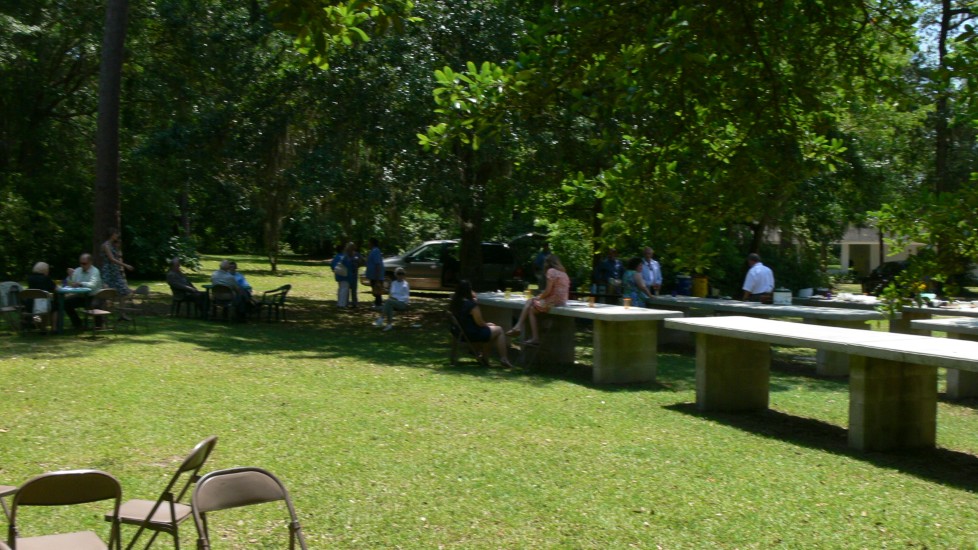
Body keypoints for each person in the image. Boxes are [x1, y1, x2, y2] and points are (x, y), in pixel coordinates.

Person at [505, 254, 570, 345]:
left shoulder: (551, 271)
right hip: (562, 301)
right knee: (531, 307)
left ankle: (520, 328)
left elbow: (548, 291)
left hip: (553, 301)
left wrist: (539, 297)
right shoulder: (564, 273)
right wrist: (541, 296)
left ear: (548, 263)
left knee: (530, 302)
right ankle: (524, 331)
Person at [449, 280, 512, 367]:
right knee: (499, 330)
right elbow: (480, 323)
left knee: (490, 331)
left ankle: (485, 358)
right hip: (471, 334)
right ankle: (503, 358)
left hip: (459, 332)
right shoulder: (471, 305)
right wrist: (488, 324)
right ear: (468, 290)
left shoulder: (455, 302)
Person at [64, 253, 102, 329]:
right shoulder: (78, 270)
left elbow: (93, 285)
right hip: (81, 296)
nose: (82, 265)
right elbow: (72, 282)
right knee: (66, 303)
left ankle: (98, 326)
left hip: (93, 296)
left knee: (95, 305)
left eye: (84, 263)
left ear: (90, 262)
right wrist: (70, 276)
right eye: (80, 263)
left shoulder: (95, 271)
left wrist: (80, 283)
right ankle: (78, 324)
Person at [100, 228, 133, 297]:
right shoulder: (106, 245)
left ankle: (123, 304)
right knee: (108, 290)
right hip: (108, 270)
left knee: (122, 289)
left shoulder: (113, 245)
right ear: (112, 235)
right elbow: (112, 259)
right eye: (116, 234)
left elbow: (117, 256)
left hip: (115, 270)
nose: (117, 236)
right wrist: (126, 265)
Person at [26, 261, 57, 330]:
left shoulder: (30, 278)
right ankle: (54, 328)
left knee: (37, 311)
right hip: (44, 304)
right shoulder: (46, 279)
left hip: (31, 304)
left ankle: (40, 327)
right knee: (55, 307)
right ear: (44, 270)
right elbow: (55, 289)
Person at [331, 243, 356, 308]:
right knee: (344, 290)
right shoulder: (345, 257)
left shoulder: (336, 257)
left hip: (338, 275)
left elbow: (332, 265)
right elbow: (349, 265)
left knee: (340, 289)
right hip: (345, 276)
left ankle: (339, 303)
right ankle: (342, 304)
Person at [366, 238, 385, 310]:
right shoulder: (373, 251)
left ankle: (379, 305)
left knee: (377, 290)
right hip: (373, 276)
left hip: (376, 275)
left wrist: (377, 278)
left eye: (369, 242)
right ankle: (377, 303)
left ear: (372, 243)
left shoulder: (375, 251)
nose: (368, 244)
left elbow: (377, 264)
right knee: (375, 290)